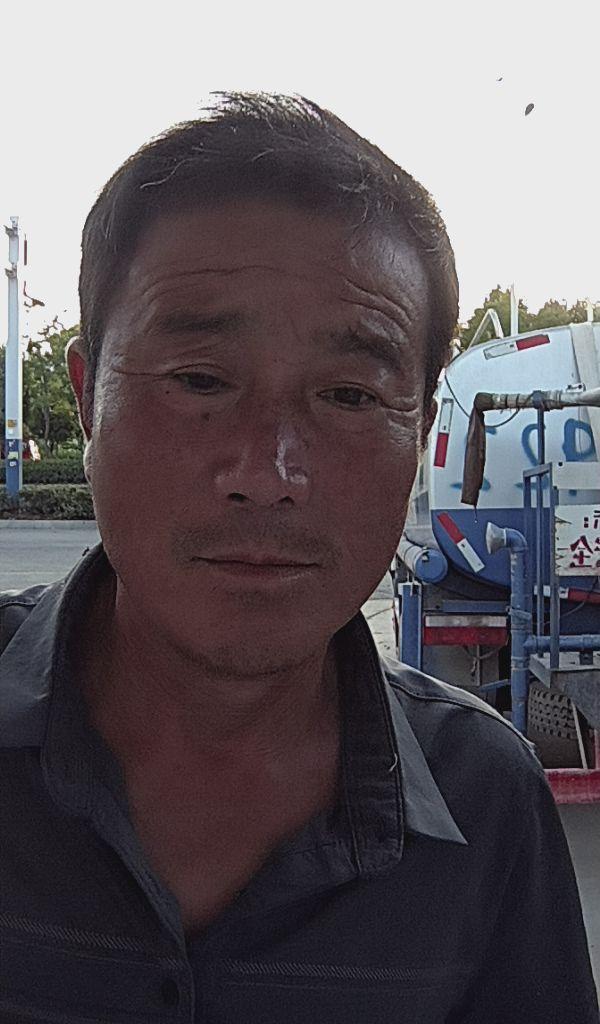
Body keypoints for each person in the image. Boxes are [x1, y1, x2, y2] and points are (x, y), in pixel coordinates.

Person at [1, 93, 597, 1024]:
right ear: (87, 396)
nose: (267, 474)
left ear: (419, 430)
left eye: (350, 395)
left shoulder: (487, 801)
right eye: (200, 380)